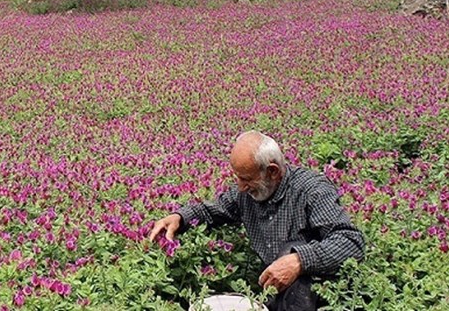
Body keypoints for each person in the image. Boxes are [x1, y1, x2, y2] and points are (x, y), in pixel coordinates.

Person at [149, 131, 365, 311]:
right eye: (238, 178)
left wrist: (300, 261)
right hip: (276, 292)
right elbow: (212, 210)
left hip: (323, 296)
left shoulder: (312, 190)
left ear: (272, 171)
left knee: (292, 250)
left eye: (246, 179)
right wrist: (179, 217)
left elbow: (351, 241)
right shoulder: (247, 195)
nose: (241, 187)